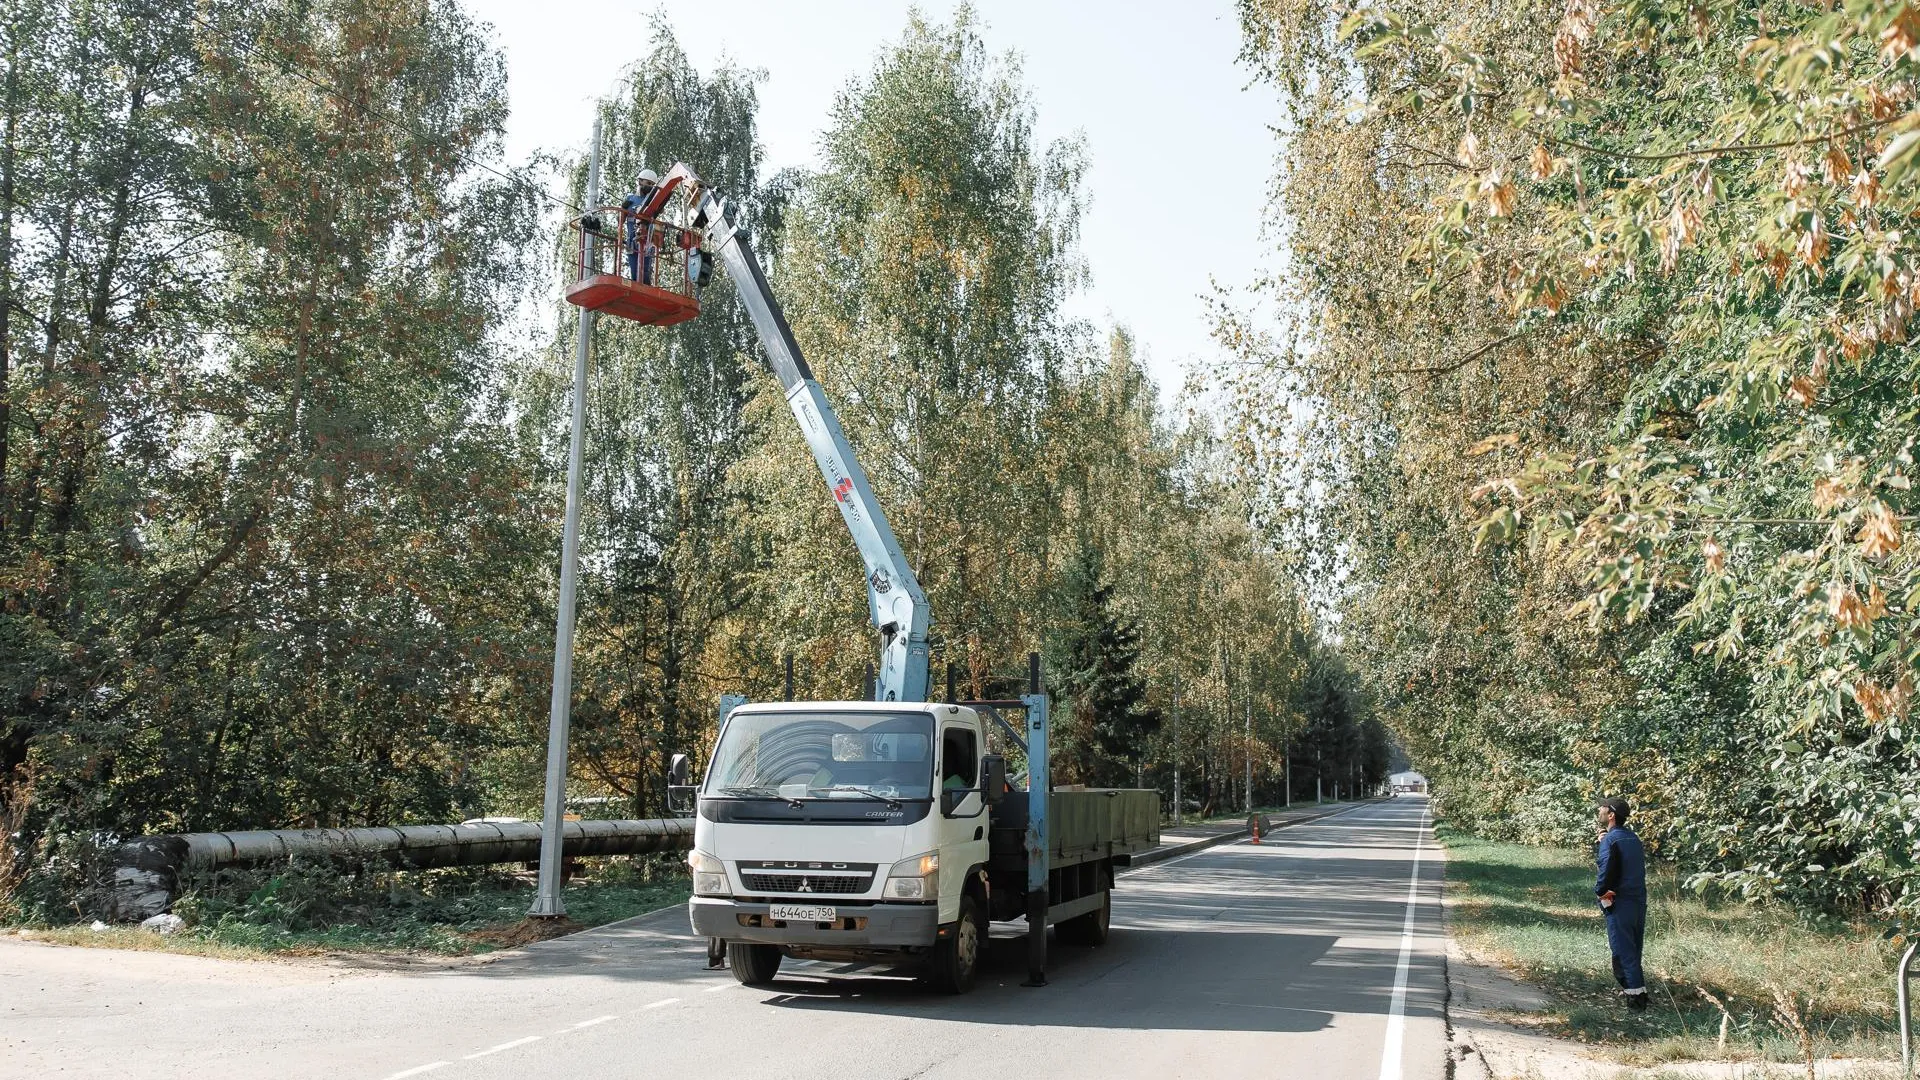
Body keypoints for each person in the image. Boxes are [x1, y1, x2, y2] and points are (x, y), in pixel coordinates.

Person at [1594, 796, 1649, 1011]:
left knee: (1622, 955)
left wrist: (1599, 892)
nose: (1600, 809)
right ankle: (1638, 997)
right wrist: (1603, 842)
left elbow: (1606, 869)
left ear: (1611, 815)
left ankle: (1637, 1005)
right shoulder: (1632, 838)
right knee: (1633, 951)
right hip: (1638, 902)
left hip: (1620, 902)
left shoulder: (1611, 840)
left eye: (1603, 807)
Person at [622, 169, 658, 283]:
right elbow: (620, 221)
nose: (650, 187)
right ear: (639, 182)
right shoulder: (630, 199)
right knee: (634, 273)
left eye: (652, 185)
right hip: (631, 242)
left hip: (646, 241)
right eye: (648, 183)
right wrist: (623, 209)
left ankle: (647, 289)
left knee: (644, 272)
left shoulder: (652, 201)